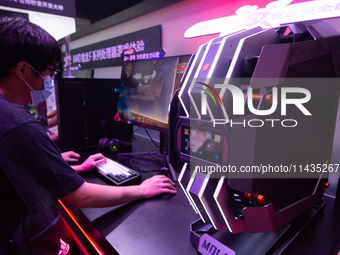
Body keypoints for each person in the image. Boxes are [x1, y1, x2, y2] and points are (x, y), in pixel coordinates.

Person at [0, 16, 176, 254]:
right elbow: (80, 197)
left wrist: (70, 170)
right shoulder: (18, 123)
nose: (48, 81)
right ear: (22, 70)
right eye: (48, 72)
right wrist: (142, 189)